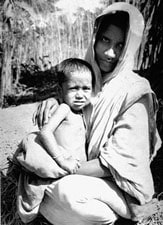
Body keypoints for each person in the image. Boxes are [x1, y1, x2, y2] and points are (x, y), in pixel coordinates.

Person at [27, 2, 162, 225]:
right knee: (41, 191)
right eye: (105, 40)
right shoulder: (90, 81)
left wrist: (57, 168)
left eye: (120, 45)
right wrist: (55, 100)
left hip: (120, 188)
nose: (110, 53)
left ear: (129, 48)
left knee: (65, 192)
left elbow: (116, 164)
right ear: (94, 39)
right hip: (83, 176)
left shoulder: (135, 91)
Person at [38, 58, 95, 174]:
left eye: (86, 89)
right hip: (65, 167)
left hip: (80, 169)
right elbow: (45, 132)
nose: (80, 95)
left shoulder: (84, 111)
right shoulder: (65, 109)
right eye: (73, 88)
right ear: (60, 90)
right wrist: (62, 160)